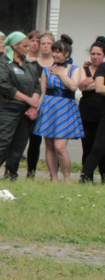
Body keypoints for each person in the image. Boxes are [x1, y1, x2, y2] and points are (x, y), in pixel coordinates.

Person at [0, 32, 40, 180]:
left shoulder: (30, 66)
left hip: (26, 112)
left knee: (19, 145)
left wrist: (33, 106)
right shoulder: (3, 64)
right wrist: (29, 100)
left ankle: (11, 176)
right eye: (25, 45)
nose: (28, 48)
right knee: (3, 142)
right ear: (15, 46)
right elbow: (6, 87)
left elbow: (37, 87)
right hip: (8, 109)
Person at [32, 40, 83, 183]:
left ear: (66, 53)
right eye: (53, 51)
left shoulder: (75, 69)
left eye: (58, 51)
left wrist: (61, 73)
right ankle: (54, 179)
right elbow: (43, 93)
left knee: (60, 147)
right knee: (49, 146)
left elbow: (73, 87)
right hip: (49, 108)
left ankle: (67, 179)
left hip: (65, 109)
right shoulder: (47, 70)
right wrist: (37, 109)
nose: (54, 54)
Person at [24, 32, 55, 177]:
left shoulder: (58, 63)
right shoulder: (32, 63)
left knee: (53, 143)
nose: (46, 46)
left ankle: (53, 175)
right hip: (35, 104)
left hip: (53, 106)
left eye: (49, 43)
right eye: (43, 43)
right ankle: (31, 173)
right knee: (34, 141)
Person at [78, 38, 105, 181]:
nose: (95, 57)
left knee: (101, 147)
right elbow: (82, 86)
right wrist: (97, 82)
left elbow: (93, 86)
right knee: (88, 147)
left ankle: (103, 176)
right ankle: (87, 177)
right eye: (93, 54)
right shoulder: (85, 68)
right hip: (87, 113)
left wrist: (92, 80)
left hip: (101, 111)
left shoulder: (103, 68)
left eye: (98, 54)